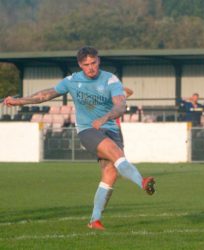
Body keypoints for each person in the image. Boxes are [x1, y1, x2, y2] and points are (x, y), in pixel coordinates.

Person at [3, 46, 155, 230]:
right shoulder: (72, 81)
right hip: (88, 130)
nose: (91, 68)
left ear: (98, 60)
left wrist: (105, 117)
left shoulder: (110, 79)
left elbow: (121, 105)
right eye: (86, 64)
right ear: (80, 65)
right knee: (115, 154)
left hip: (110, 128)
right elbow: (44, 95)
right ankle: (142, 182)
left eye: (93, 63)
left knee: (110, 173)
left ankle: (94, 220)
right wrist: (19, 101)